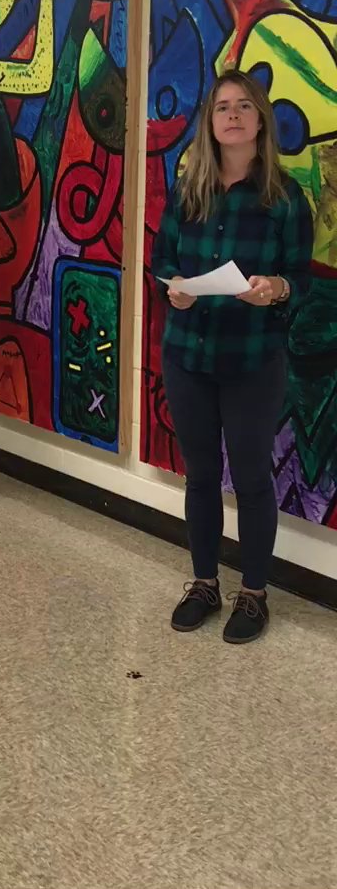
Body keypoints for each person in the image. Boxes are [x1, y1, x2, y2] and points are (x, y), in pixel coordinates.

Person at [153, 70, 313, 644]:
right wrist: (172, 287)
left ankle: (254, 593)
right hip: (188, 354)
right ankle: (204, 584)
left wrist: (277, 288)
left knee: (250, 479)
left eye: (245, 106)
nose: (234, 116)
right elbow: (162, 261)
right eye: (223, 107)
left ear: (260, 119)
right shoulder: (188, 189)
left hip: (253, 359)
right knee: (199, 477)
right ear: (211, 122)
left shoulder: (284, 197)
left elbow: (301, 277)